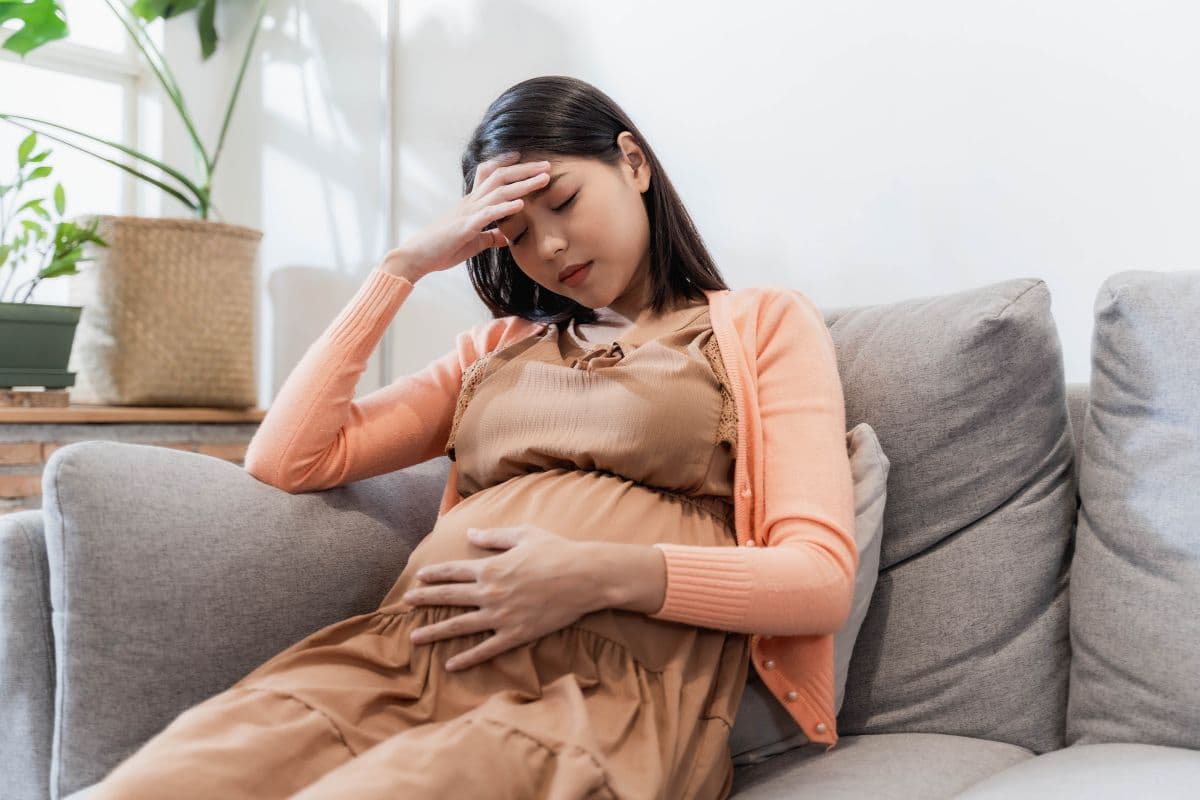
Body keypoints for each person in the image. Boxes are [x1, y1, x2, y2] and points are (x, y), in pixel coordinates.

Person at [85, 75, 857, 800]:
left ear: (632, 162)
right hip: (397, 662)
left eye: (562, 201)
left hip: (595, 695)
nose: (549, 246)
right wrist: (402, 266)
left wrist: (597, 575)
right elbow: (288, 458)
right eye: (515, 231)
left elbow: (817, 579)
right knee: (159, 780)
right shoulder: (494, 351)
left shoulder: (761, 325)